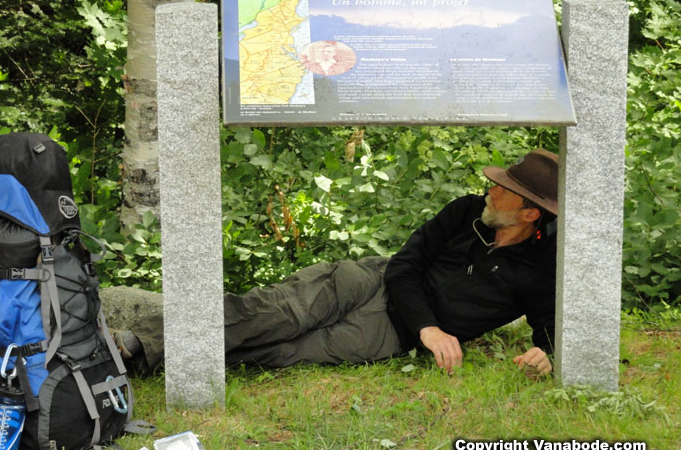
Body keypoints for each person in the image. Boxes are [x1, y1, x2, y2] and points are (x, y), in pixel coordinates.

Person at [115, 148, 558, 377]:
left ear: (530, 213)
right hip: (372, 282)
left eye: (503, 190)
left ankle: (146, 362)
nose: (489, 190)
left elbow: (554, 327)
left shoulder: (541, 269)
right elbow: (406, 264)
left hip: (387, 333)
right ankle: (133, 343)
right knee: (274, 313)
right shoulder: (465, 212)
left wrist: (548, 356)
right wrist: (431, 327)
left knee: (283, 352)